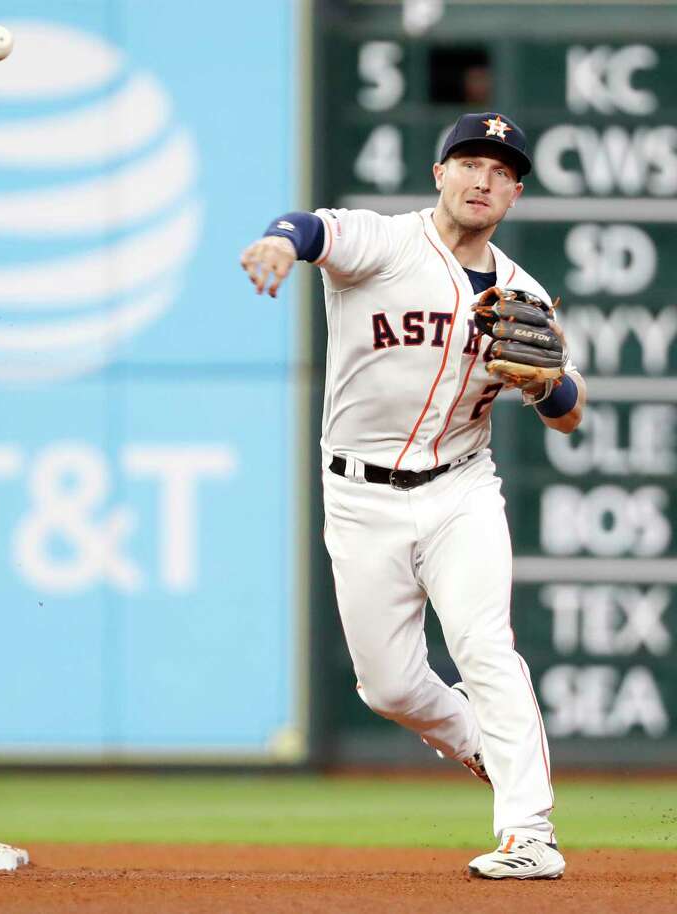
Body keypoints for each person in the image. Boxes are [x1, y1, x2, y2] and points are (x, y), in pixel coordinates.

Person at [239, 113, 585, 880]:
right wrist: (276, 243)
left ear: (515, 193)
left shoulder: (526, 293)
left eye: (500, 172)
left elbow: (570, 413)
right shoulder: (386, 243)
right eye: (469, 163)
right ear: (440, 175)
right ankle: (479, 744)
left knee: (484, 643)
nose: (482, 180)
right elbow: (311, 228)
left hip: (462, 488)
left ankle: (530, 831)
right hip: (360, 497)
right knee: (388, 685)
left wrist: (551, 383)